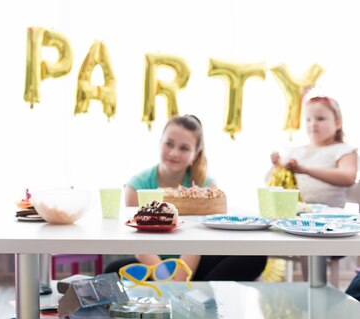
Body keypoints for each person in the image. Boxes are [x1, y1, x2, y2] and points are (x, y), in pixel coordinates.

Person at [104, 115, 267, 281]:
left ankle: (192, 295)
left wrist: (180, 282)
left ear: (195, 154)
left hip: (193, 263)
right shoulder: (137, 186)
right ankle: (195, 295)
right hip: (154, 264)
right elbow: (140, 245)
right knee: (112, 271)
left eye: (184, 148)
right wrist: (168, 281)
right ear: (160, 142)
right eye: (169, 144)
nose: (174, 153)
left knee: (254, 257)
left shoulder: (207, 188)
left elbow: (199, 241)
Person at [270, 96, 357, 208]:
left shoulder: (343, 150)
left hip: (331, 218)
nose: (313, 124)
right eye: (308, 119)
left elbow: (348, 177)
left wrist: (305, 170)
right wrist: (277, 165)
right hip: (296, 217)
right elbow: (272, 183)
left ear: (337, 123)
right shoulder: (295, 151)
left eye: (320, 118)